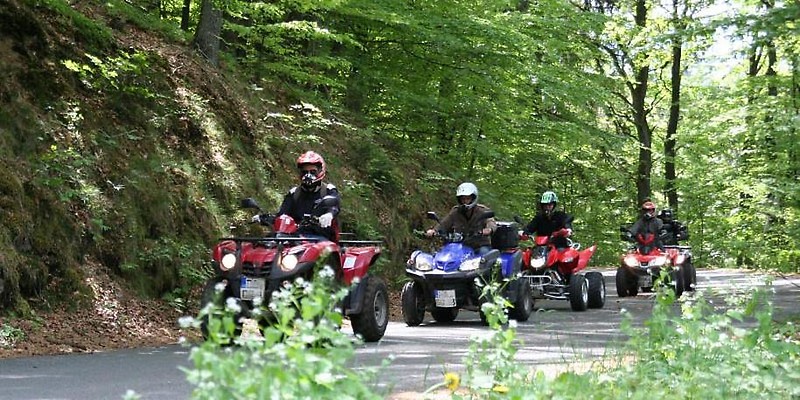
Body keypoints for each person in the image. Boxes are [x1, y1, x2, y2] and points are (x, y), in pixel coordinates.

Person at [254, 151, 340, 241]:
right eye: (304, 172)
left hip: (321, 238)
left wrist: (329, 214)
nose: (308, 175)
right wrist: (264, 218)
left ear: (320, 171)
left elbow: (335, 206)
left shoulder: (328, 190)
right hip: (296, 237)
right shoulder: (294, 193)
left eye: (313, 172)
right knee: (268, 242)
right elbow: (282, 215)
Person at [425, 182, 496, 254]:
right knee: (443, 254)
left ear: (473, 199)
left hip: (479, 245)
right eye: (463, 199)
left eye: (467, 198)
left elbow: (491, 221)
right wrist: (434, 231)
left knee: (484, 253)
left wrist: (489, 229)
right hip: (460, 245)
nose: (465, 201)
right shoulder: (456, 211)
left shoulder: (482, 211)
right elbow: (444, 223)